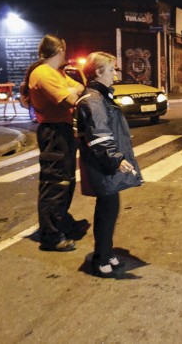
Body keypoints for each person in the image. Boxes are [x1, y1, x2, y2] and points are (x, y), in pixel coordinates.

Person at [75, 52, 143, 278]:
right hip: (102, 164)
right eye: (112, 69)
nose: (115, 73)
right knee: (107, 209)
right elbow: (99, 135)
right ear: (98, 72)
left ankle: (105, 251)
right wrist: (116, 158)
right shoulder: (94, 99)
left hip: (105, 163)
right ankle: (100, 258)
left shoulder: (100, 96)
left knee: (110, 208)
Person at [27, 35, 88, 252]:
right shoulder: (43, 74)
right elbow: (71, 99)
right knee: (55, 184)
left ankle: (62, 223)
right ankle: (51, 236)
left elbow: (81, 88)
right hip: (53, 133)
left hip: (62, 131)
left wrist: (72, 90)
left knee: (67, 181)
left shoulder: (57, 73)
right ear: (60, 50)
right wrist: (71, 91)